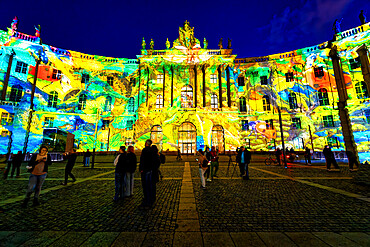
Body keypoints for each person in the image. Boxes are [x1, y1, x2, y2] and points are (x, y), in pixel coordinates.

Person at [139, 139, 154, 209]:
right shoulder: (152, 150)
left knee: (145, 185)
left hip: (145, 170)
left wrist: (141, 169)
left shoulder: (144, 150)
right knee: (149, 185)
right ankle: (150, 200)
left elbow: (142, 160)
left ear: (146, 143)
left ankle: (146, 201)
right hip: (150, 169)